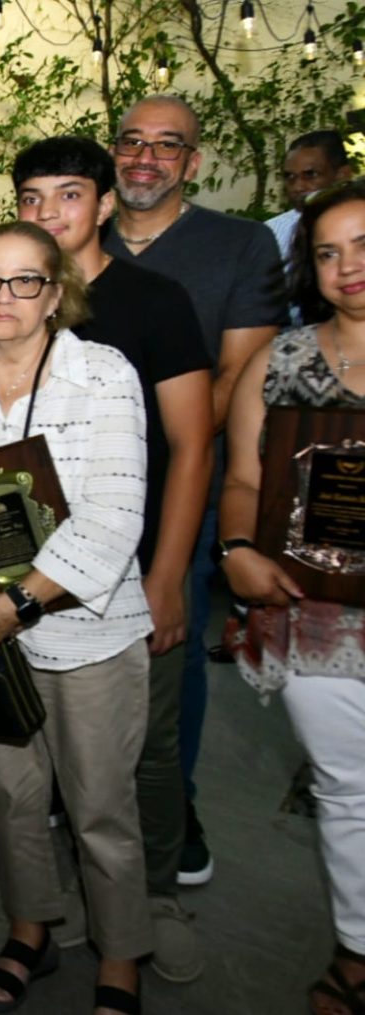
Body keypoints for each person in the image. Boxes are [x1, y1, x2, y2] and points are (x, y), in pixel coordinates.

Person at [0, 222, 152, 1015]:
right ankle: (30, 927)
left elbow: (113, 515)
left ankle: (120, 954)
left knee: (100, 806)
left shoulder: (102, 374)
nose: (2, 298)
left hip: (88, 634)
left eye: (24, 281)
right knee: (11, 795)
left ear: (56, 292)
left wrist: (11, 605)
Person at [14, 136, 213, 984]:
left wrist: (166, 576)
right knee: (50, 753)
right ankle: (66, 902)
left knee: (147, 747)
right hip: (33, 570)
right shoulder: (14, 299)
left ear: (101, 205)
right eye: (31, 197)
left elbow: (193, 446)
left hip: (130, 564)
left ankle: (155, 898)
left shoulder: (155, 300)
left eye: (67, 196)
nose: (47, 213)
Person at [103, 94, 288, 887]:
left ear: (193, 162)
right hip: (69, 492)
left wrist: (145, 464)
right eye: (132, 141)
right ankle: (87, 798)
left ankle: (172, 806)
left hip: (183, 482)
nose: (146, 158)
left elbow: (237, 379)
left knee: (167, 648)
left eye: (167, 146)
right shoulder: (76, 232)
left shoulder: (240, 247)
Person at [220, 178, 365, 1015]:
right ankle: (356, 949)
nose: (348, 267)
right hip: (313, 612)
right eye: (328, 251)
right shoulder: (279, 360)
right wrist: (235, 547)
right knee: (346, 790)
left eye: (363, 244)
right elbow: (242, 476)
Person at [266, 131, 355, 272]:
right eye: (290, 177)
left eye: (310, 175)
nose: (298, 186)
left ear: (342, 175)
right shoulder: (272, 233)